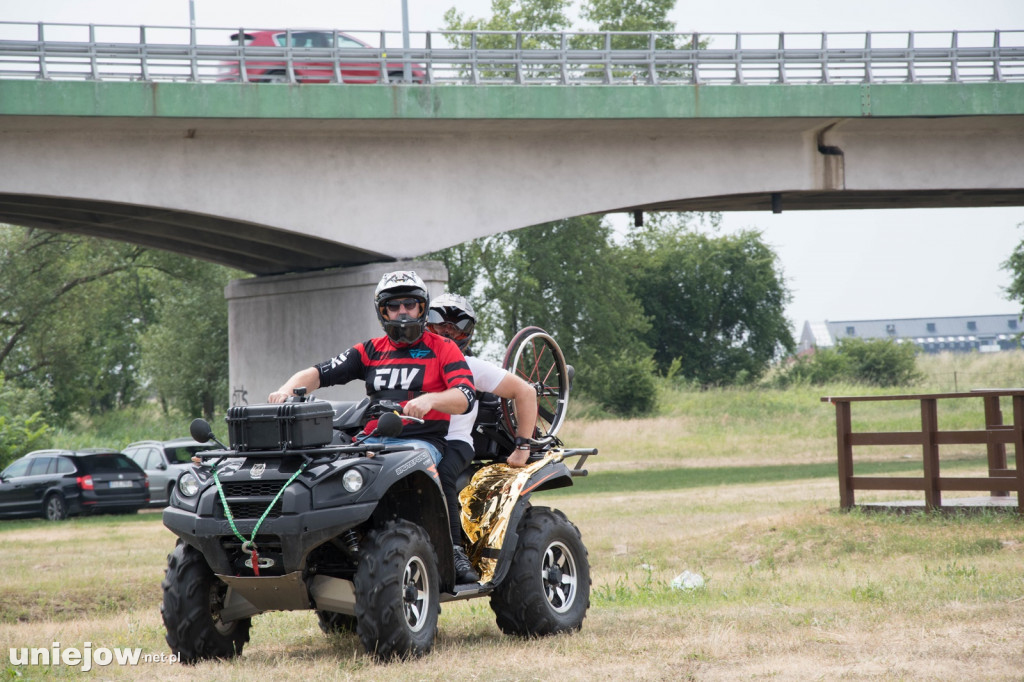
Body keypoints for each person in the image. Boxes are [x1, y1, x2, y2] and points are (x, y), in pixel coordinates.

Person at [268, 271, 481, 582]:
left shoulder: (442, 348)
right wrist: (287, 389)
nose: (403, 311)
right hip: (370, 443)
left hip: (420, 444)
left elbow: (464, 395)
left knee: (436, 478)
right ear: (383, 312)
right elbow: (319, 372)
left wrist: (431, 400)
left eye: (411, 304)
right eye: (394, 306)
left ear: (422, 309)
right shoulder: (370, 350)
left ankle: (456, 553)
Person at [427, 293, 539, 582]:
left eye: (458, 325)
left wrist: (523, 447)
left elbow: (526, 392)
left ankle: (454, 552)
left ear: (468, 333)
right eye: (440, 322)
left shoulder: (470, 366)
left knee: (440, 473)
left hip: (455, 442)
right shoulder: (410, 364)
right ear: (427, 324)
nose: (448, 331)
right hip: (415, 439)